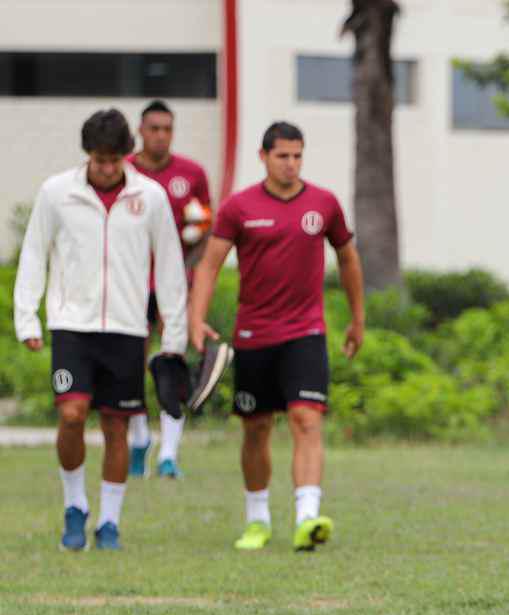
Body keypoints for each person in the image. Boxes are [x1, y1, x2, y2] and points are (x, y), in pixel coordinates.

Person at [14, 109, 188, 551]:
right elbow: (34, 253)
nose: (107, 168)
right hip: (72, 326)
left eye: (114, 160)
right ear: (87, 154)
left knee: (117, 426)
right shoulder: (57, 192)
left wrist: (175, 335)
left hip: (127, 329)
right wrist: (27, 317)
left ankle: (109, 522)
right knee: (71, 415)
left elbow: (170, 266)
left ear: (126, 155)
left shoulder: (151, 197)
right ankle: (75, 505)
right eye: (99, 160)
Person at [190, 121, 365, 552]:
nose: (291, 164)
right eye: (282, 156)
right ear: (263, 157)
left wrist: (357, 318)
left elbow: (348, 259)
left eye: (297, 156)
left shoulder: (324, 204)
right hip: (254, 335)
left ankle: (307, 518)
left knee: (307, 419)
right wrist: (196, 318)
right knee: (257, 428)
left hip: (306, 332)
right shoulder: (238, 207)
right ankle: (257, 519)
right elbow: (209, 265)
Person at [126, 99, 215, 479]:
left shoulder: (191, 174)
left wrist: (184, 268)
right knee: (129, 361)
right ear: (140, 131)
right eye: (154, 128)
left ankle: (169, 454)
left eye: (167, 129)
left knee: (172, 360)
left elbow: (207, 228)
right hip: (129, 284)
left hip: (174, 285)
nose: (161, 136)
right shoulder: (123, 171)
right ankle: (139, 439)